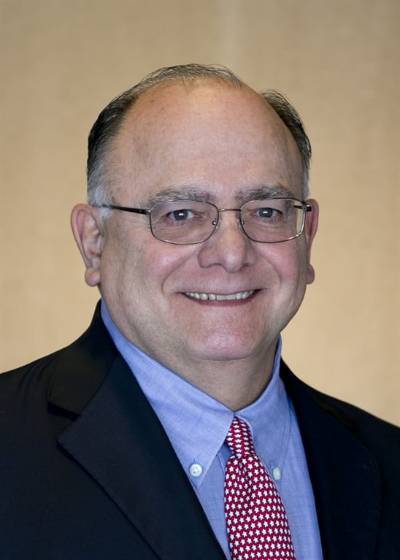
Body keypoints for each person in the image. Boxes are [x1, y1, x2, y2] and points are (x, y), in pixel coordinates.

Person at [1, 64, 399, 560]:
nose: (231, 254)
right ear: (94, 243)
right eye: (181, 215)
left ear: (308, 233)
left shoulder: (387, 462)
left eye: (267, 211)